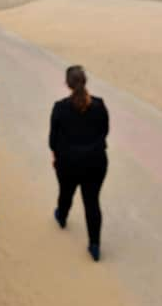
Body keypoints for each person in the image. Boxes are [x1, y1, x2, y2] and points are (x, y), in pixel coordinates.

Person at [49, 65, 109, 261]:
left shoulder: (60, 107)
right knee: (92, 202)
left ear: (67, 84)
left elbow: (52, 141)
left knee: (66, 192)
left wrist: (58, 156)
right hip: (95, 163)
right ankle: (95, 246)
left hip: (68, 164)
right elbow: (104, 131)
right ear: (85, 81)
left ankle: (62, 217)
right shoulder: (99, 105)